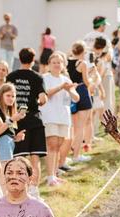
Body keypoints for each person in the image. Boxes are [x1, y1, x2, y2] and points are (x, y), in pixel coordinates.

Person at [7, 48, 49, 195]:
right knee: (35, 158)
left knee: (19, 159)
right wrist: (38, 101)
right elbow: (43, 99)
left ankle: (18, 189)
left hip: (18, 121)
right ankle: (34, 190)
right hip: (35, 120)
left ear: (20, 58)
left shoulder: (11, 76)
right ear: (33, 60)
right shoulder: (38, 77)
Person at [40, 52, 79, 186]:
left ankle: (55, 174)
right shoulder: (45, 78)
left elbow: (76, 98)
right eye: (54, 62)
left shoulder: (66, 79)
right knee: (51, 145)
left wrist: (69, 89)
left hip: (63, 116)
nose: (57, 64)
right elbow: (46, 93)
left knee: (58, 146)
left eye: (59, 62)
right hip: (49, 116)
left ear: (63, 65)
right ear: (49, 65)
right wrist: (61, 87)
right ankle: (50, 176)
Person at [67, 42, 93, 162]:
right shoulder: (83, 63)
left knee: (73, 127)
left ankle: (69, 153)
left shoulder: (67, 62)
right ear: (83, 52)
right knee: (80, 127)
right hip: (81, 92)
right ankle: (76, 155)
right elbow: (87, 82)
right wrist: (93, 78)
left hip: (71, 92)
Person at [0, 83, 27, 166]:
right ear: (1, 96)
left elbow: (4, 133)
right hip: (1, 146)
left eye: (13, 96)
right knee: (4, 173)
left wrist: (15, 138)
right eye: (8, 96)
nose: (11, 98)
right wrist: (11, 120)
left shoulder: (8, 112)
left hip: (8, 146)